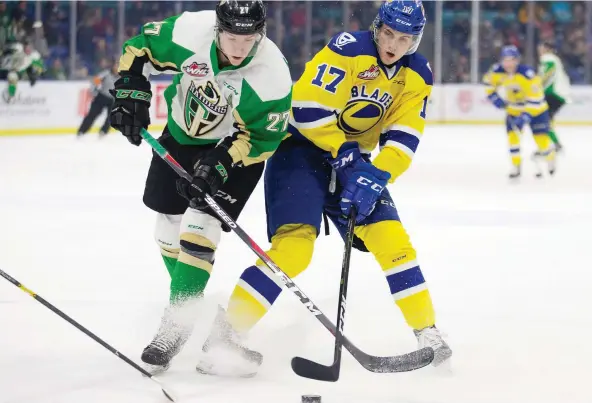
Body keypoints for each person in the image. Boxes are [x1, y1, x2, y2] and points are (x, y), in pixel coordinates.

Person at [196, 0, 452, 378]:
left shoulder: (417, 74)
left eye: (404, 38)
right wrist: (346, 150)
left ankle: (428, 333)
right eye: (388, 34)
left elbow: (405, 136)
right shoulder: (347, 49)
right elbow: (306, 109)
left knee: (391, 239)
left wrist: (376, 175)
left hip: (356, 162)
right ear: (377, 28)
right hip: (301, 150)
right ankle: (225, 334)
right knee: (295, 249)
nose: (393, 45)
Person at [108, 0, 292, 374]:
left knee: (199, 229)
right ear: (217, 29)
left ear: (262, 34)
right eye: (231, 37)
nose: (239, 48)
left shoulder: (271, 75)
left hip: (236, 153)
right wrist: (131, 90)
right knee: (167, 228)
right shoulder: (189, 30)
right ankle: (198, 309)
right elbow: (140, 46)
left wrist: (221, 163)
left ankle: (175, 324)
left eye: (249, 38)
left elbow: (263, 139)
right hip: (180, 135)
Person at [483, 45, 556, 179]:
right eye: (505, 60)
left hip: (536, 111)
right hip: (514, 110)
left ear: (517, 60)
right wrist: (495, 98)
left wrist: (526, 115)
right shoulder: (496, 71)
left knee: (541, 141)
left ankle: (550, 158)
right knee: (513, 139)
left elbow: (537, 96)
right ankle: (515, 166)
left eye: (511, 60)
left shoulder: (527, 74)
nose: (508, 63)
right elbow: (488, 84)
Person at [537, 41, 570, 152]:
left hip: (553, 93)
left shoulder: (548, 58)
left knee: (542, 120)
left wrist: (537, 85)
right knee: (545, 120)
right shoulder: (555, 59)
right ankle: (554, 144)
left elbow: (548, 73)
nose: (540, 51)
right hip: (559, 94)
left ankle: (548, 146)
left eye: (541, 48)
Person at [77, 60, 118, 137]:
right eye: (116, 65)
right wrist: (93, 91)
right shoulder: (106, 74)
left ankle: (103, 132)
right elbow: (95, 81)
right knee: (92, 115)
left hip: (113, 99)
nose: (117, 67)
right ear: (113, 66)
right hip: (102, 97)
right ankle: (82, 131)